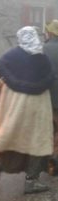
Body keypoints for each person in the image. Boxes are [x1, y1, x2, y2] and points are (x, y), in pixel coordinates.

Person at [0, 26, 54, 194]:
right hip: (38, 106)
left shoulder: (11, 55)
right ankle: (31, 182)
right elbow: (50, 79)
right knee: (38, 141)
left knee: (14, 136)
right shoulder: (42, 58)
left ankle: (1, 166)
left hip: (14, 105)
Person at [43, 19, 58, 153]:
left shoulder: (45, 48)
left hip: (50, 94)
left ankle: (53, 156)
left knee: (50, 126)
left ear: (50, 33)